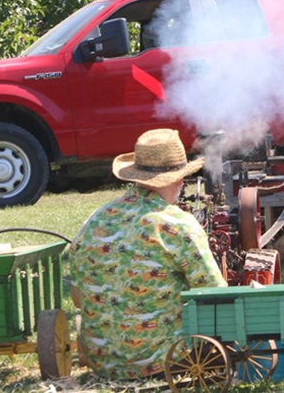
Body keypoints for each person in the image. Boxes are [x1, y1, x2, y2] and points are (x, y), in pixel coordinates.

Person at [67, 129, 226, 380]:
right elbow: (216, 295)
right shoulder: (177, 224)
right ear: (177, 180)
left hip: (104, 364)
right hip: (169, 363)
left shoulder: (95, 219)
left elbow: (77, 297)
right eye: (182, 177)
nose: (183, 182)